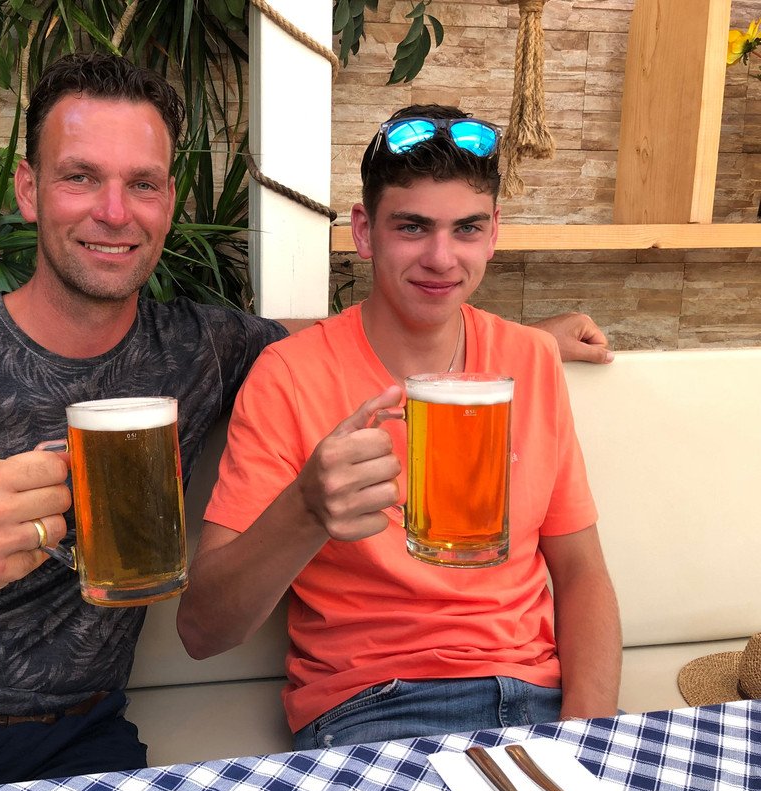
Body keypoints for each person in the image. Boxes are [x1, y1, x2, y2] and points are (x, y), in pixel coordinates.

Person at [0, 56, 608, 791]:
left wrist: (533, 338)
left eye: (143, 184)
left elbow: (368, 333)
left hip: (73, 743)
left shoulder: (202, 349)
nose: (115, 212)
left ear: (169, 203)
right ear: (28, 190)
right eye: (80, 178)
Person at [176, 105, 623, 751]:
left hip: (538, 699)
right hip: (375, 707)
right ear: (365, 232)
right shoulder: (289, 376)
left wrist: (589, 737)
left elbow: (582, 574)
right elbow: (202, 631)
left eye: (466, 229)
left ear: (493, 234)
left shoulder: (529, 359)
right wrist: (307, 508)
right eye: (412, 227)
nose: (441, 258)